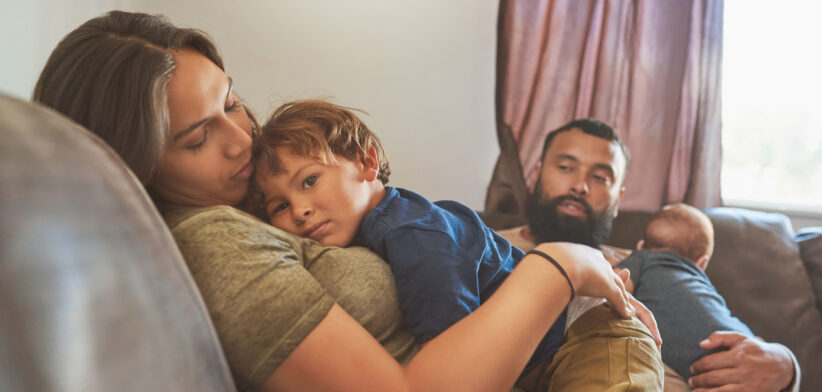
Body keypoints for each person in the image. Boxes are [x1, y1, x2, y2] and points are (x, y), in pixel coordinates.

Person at [32, 11, 653, 392]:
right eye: (198, 138)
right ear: (136, 164)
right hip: (550, 310)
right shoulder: (214, 243)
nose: (241, 138)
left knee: (659, 277)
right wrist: (563, 265)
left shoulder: (253, 200)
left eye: (231, 102)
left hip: (549, 330)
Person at [246, 99, 663, 390]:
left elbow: (458, 353)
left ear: (366, 162)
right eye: (280, 205)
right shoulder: (384, 225)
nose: (299, 210)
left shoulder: (411, 233)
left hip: (592, 334)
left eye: (309, 180)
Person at [498, 118, 800, 392]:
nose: (580, 186)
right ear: (536, 175)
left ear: (619, 199)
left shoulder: (649, 261)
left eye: (601, 177)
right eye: (565, 168)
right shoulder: (487, 250)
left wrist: (786, 366)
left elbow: (715, 319)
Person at [616, 203, 754, 382]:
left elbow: (615, 284)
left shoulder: (642, 258)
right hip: (739, 344)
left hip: (696, 365)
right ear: (702, 264)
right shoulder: (701, 284)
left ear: (640, 247)